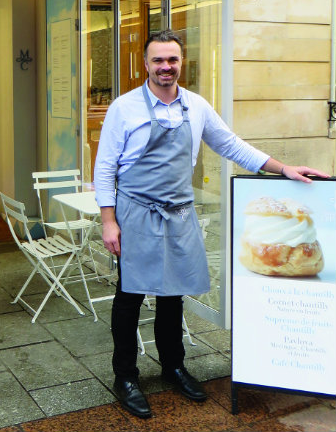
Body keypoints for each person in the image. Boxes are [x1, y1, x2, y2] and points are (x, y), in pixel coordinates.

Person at [93, 29, 328, 419]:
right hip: (135, 212)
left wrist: (282, 168)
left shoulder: (196, 106)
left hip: (180, 213)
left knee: (174, 293)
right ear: (145, 64)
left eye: (172, 60)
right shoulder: (124, 108)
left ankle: (173, 367)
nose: (165, 67)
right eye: (158, 60)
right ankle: (126, 377)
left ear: (181, 62)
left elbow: (231, 145)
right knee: (130, 295)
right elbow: (104, 169)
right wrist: (108, 221)